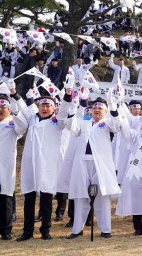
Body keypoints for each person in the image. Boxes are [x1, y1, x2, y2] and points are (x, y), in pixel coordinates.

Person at [61, 94, 125, 240]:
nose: (96, 110)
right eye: (94, 107)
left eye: (100, 108)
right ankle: (77, 229)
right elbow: (72, 127)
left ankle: (105, 229)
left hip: (100, 164)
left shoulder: (108, 123)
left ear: (105, 111)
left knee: (102, 196)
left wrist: (112, 104)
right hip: (82, 162)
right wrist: (74, 106)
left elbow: (117, 125)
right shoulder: (84, 123)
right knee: (81, 196)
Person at [13, 93, 72, 241]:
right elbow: (24, 109)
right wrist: (15, 94)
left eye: (48, 106)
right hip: (30, 164)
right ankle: (27, 231)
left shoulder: (57, 120)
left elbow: (65, 111)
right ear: (38, 107)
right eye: (42, 105)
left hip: (48, 165)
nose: (44, 108)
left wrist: (68, 94)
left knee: (46, 199)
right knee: (29, 199)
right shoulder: (32, 118)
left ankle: (45, 230)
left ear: (53, 108)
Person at [0, 87, 27, 240]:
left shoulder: (12, 123)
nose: (0, 108)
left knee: (5, 197)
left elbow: (23, 127)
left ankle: (6, 229)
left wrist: (15, 111)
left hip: (5, 166)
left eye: (3, 106)